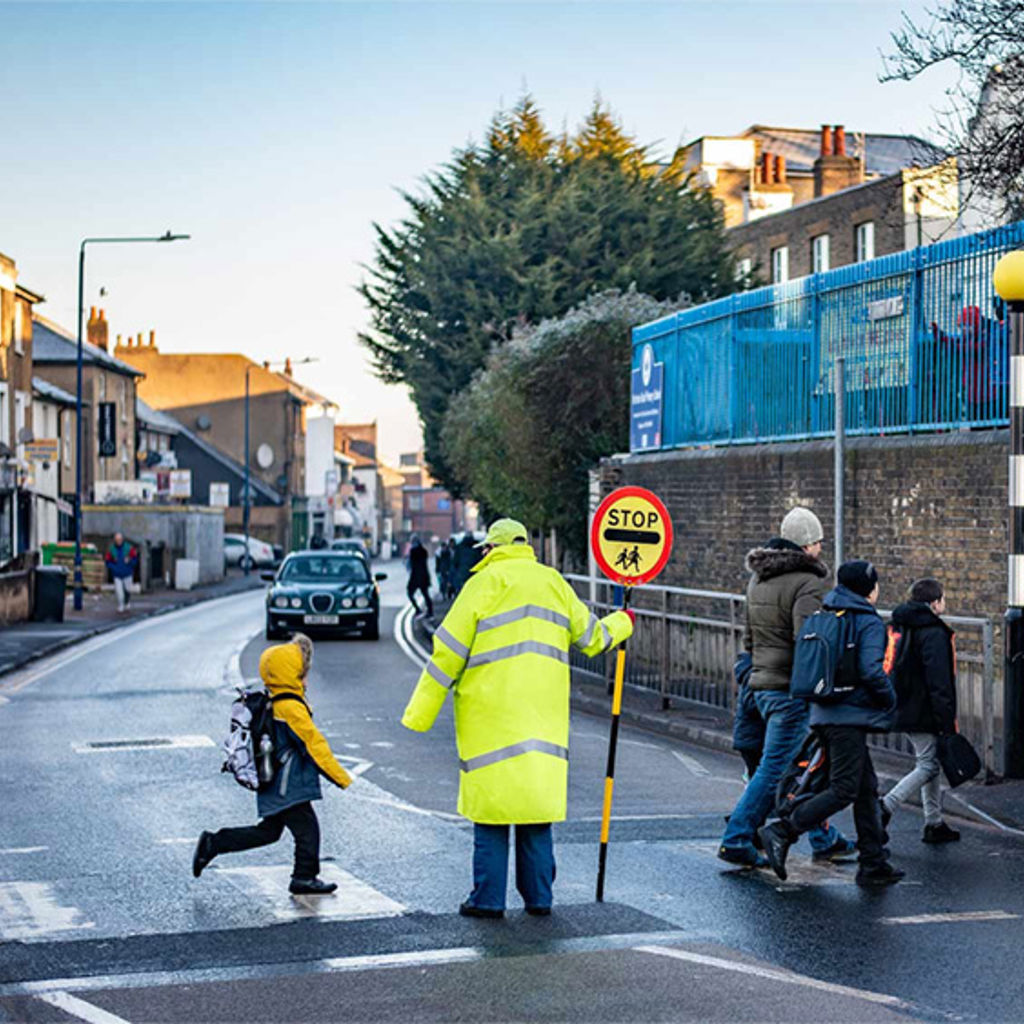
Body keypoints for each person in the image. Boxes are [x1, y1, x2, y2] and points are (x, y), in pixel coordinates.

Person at [401, 518, 633, 918]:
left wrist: (419, 715)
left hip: (489, 726)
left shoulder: (483, 585)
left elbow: (446, 655)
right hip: (542, 724)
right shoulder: (553, 583)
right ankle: (539, 899)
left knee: (491, 821)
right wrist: (623, 622)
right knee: (535, 819)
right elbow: (593, 637)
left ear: (492, 548)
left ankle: (488, 900)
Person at [719, 513, 855, 867]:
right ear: (807, 544)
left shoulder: (758, 578)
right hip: (789, 693)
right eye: (819, 541)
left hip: (760, 687)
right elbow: (808, 641)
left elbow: (748, 639)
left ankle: (824, 837)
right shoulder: (807, 582)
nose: (822, 547)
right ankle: (736, 837)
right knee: (778, 768)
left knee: (800, 765)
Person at [759, 561, 904, 887]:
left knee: (866, 789)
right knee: (845, 788)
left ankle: (873, 863)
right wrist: (888, 698)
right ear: (869, 588)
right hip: (848, 718)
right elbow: (870, 670)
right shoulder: (866, 621)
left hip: (823, 712)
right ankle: (784, 829)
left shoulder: (826, 614)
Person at [192, 634, 352, 893]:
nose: (306, 679)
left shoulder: (272, 701)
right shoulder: (290, 708)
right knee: (307, 830)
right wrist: (341, 777)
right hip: (287, 786)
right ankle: (303, 877)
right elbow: (314, 745)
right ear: (293, 675)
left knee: (268, 832)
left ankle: (214, 843)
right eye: (303, 673)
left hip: (274, 781)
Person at [881, 577, 961, 844]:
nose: (944, 604)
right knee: (927, 765)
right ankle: (885, 806)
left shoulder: (899, 626)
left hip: (901, 704)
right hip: (923, 709)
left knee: (930, 762)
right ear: (934, 602)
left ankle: (934, 823)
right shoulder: (934, 632)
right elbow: (940, 681)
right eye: (943, 599)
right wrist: (946, 719)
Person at [105, 532, 138, 613]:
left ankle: (127, 602)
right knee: (119, 592)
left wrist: (130, 561)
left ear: (122, 539)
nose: (118, 541)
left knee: (127, 590)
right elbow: (107, 561)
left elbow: (135, 559)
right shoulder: (112, 549)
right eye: (117, 540)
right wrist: (113, 568)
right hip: (117, 574)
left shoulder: (129, 548)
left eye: (119, 539)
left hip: (127, 573)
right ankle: (121, 605)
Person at [406, 536, 434, 617]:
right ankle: (430, 611)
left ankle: (418, 610)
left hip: (415, 576)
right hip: (424, 576)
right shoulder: (424, 551)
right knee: (425, 594)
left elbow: (411, 564)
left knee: (410, 593)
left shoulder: (413, 551)